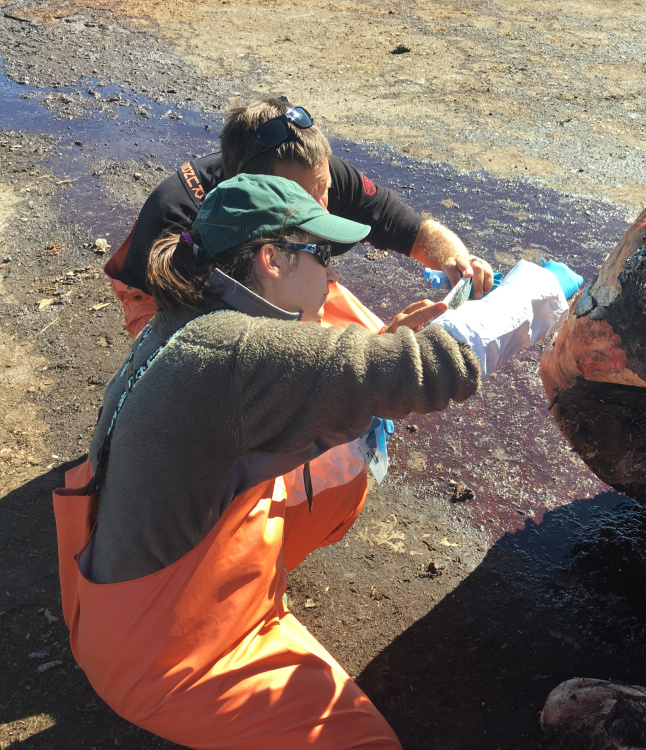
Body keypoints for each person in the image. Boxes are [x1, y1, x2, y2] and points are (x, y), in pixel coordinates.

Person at [54, 174, 483, 749]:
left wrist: (383, 344)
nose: (333, 273)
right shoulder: (236, 353)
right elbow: (429, 371)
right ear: (272, 259)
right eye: (322, 254)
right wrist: (535, 296)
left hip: (108, 605)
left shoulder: (188, 319)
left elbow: (315, 383)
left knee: (324, 459)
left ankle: (254, 603)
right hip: (163, 652)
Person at [105, 96, 495, 339]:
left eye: (323, 189)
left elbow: (413, 229)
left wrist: (457, 262)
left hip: (284, 268)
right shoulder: (179, 218)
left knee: (361, 336)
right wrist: (378, 359)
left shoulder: (317, 173)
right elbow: (236, 360)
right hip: (168, 297)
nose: (323, 210)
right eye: (303, 201)